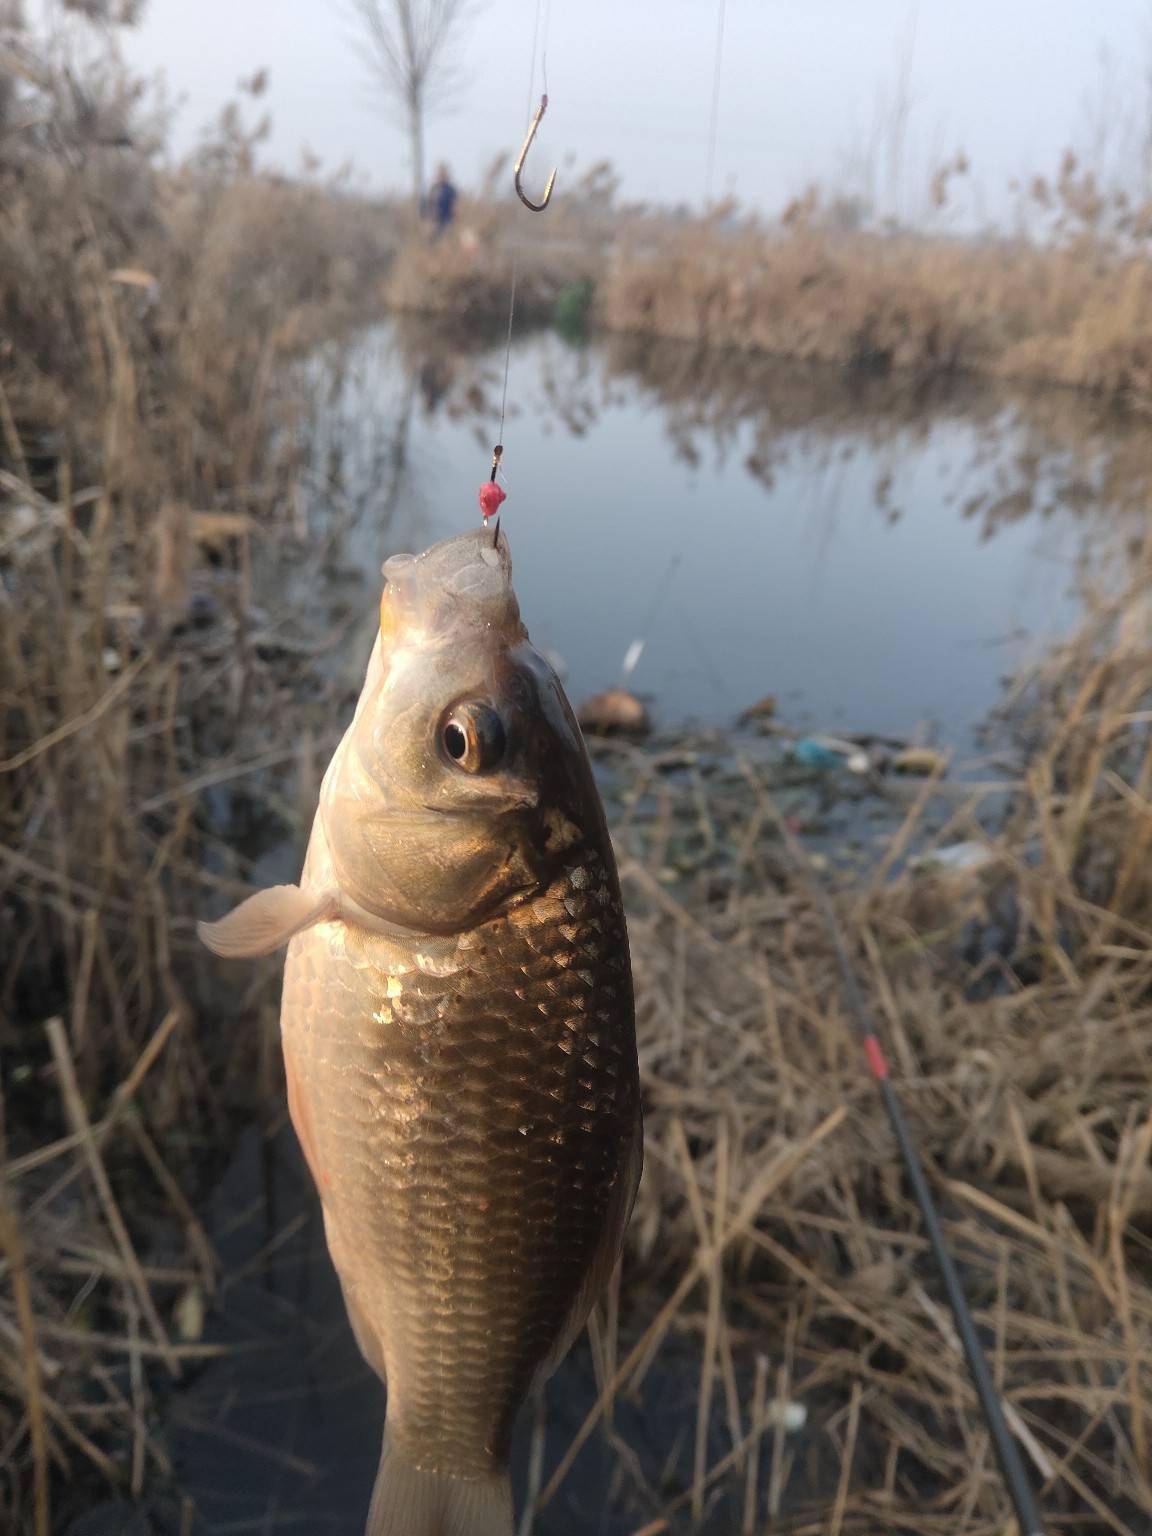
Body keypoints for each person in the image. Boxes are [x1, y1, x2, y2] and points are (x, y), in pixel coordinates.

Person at [426, 163, 457, 238]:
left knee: (445, 238)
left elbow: (455, 206)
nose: (441, 176)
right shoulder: (433, 188)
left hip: (447, 221)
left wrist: (453, 221)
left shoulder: (450, 189)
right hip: (434, 222)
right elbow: (429, 205)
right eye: (439, 174)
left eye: (443, 174)